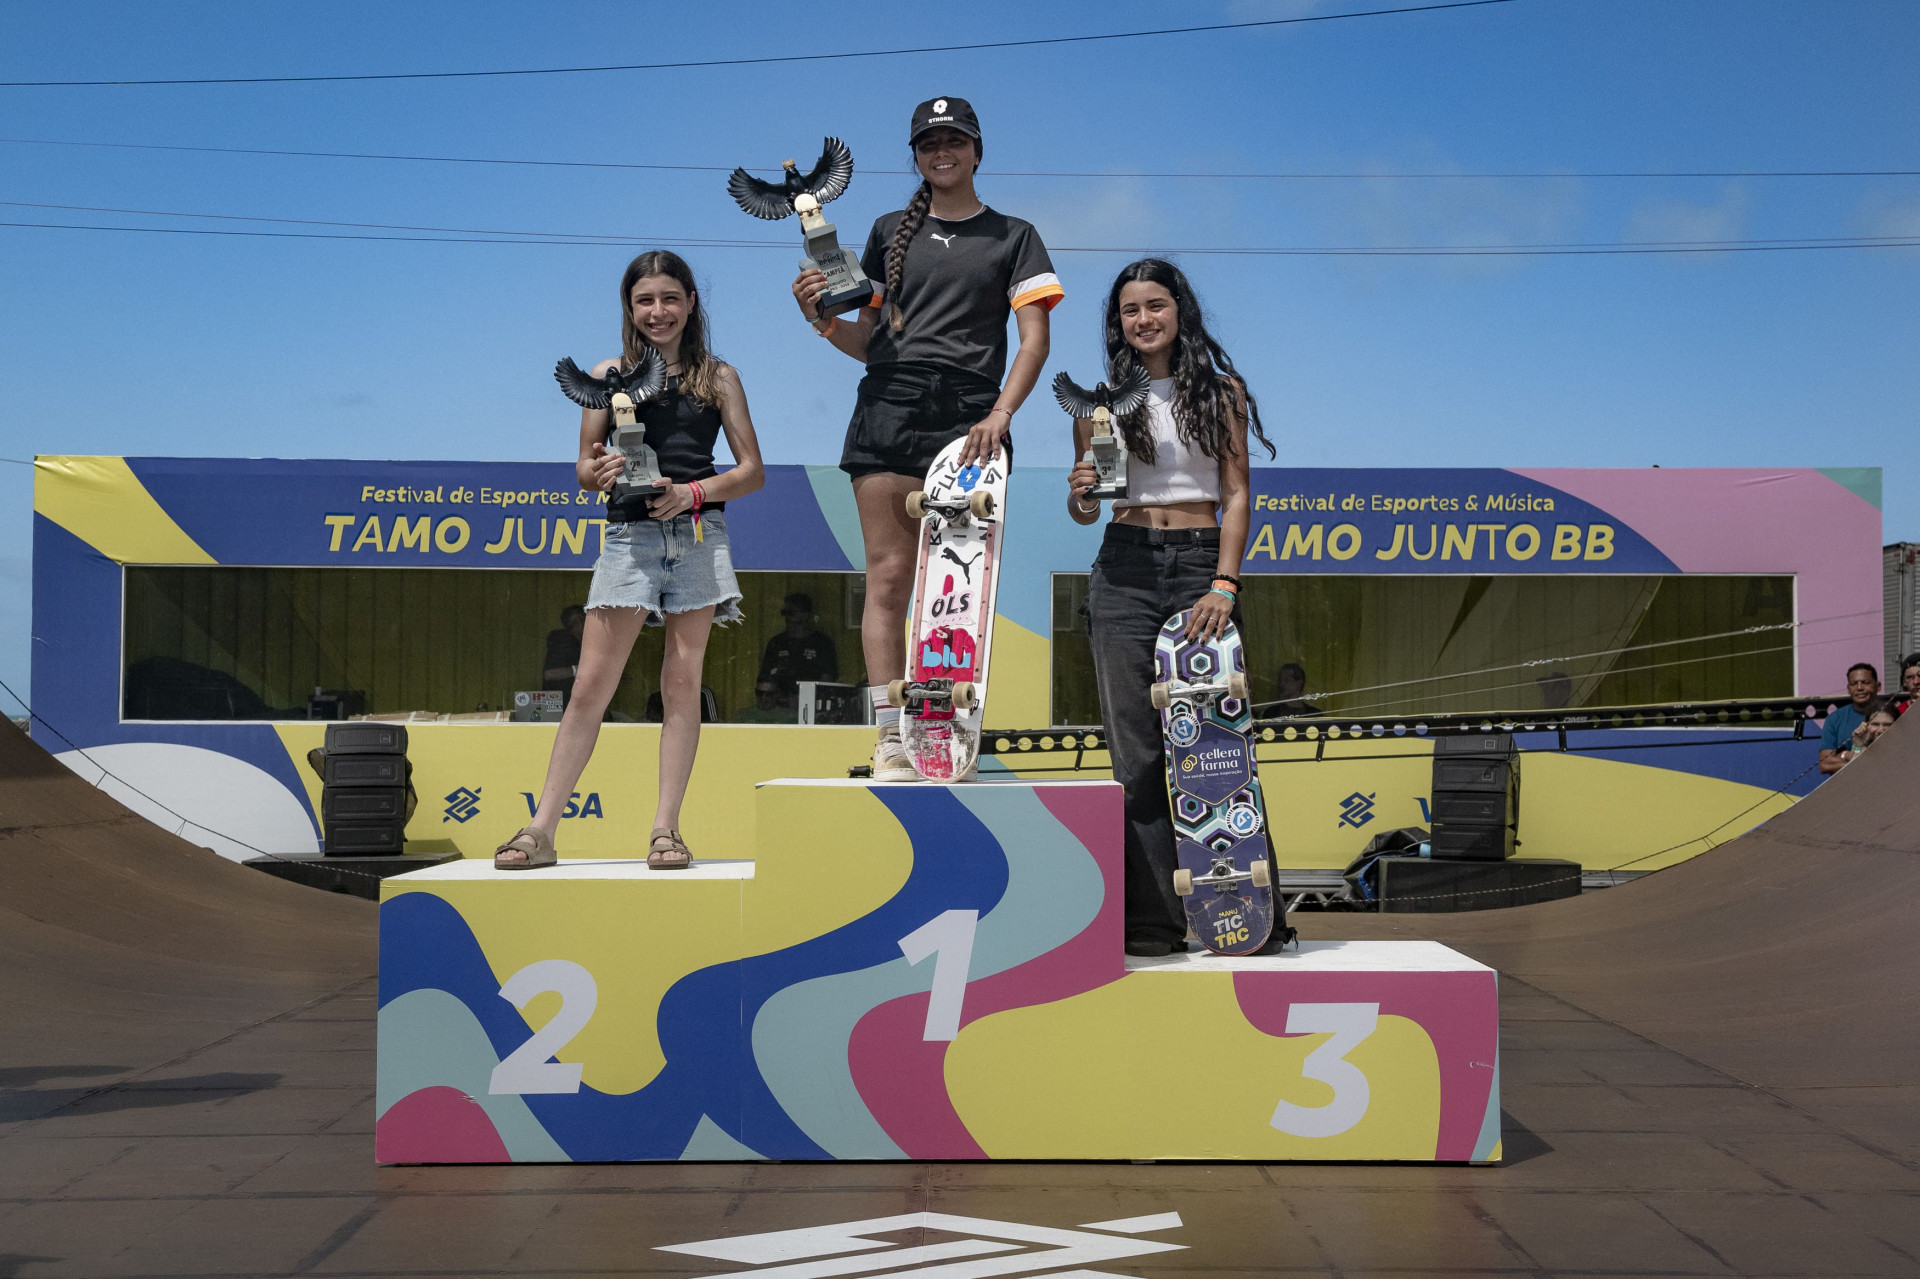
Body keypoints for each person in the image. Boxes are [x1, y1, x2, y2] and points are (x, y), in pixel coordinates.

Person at [792, 96, 1060, 781]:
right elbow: (873, 345)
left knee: (954, 585)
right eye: (928, 143)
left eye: (955, 140)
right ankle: (890, 738)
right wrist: (819, 321)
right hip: (890, 405)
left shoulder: (1015, 234)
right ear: (915, 155)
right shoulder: (888, 231)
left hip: (972, 414)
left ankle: (941, 728)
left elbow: (1035, 339)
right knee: (886, 578)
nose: (942, 152)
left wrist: (1002, 414)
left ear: (977, 150)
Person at [495, 250, 765, 870]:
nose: (658, 311)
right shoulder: (607, 372)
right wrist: (603, 468)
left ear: (690, 302)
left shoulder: (718, 377)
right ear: (630, 308)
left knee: (681, 683)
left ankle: (666, 831)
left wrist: (692, 492)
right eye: (645, 301)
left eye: (669, 298)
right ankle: (540, 832)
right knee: (590, 685)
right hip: (628, 540)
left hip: (699, 536)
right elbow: (586, 469)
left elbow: (752, 472)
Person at [1066, 258, 1277, 958]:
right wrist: (1081, 489)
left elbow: (1237, 493)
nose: (1144, 318)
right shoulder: (1099, 405)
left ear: (1180, 310)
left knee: (1218, 747)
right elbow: (1084, 509)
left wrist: (1225, 583)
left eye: (1156, 304)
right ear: (1117, 323)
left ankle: (1253, 916)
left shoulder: (1222, 393)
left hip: (1198, 568)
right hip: (1123, 569)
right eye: (1130, 309)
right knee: (1136, 757)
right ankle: (1153, 924)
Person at [758, 592, 839, 709]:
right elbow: (764, 680)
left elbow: (827, 682)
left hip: (812, 708)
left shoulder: (822, 643)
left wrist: (805, 700)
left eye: (791, 613)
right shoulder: (776, 643)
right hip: (778, 709)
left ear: (805, 615)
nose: (787, 618)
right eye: (784, 613)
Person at [1818, 662, 1881, 775]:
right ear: (1848, 688)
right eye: (1854, 684)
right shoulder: (1834, 719)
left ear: (1878, 686)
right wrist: (1862, 763)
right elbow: (1825, 764)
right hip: (1846, 786)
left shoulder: (1888, 714)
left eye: (1866, 683)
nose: (1860, 688)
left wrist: (1844, 755)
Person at [541, 605, 586, 704]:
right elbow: (550, 674)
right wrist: (584, 670)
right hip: (562, 707)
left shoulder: (577, 644)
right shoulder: (564, 642)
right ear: (579, 622)